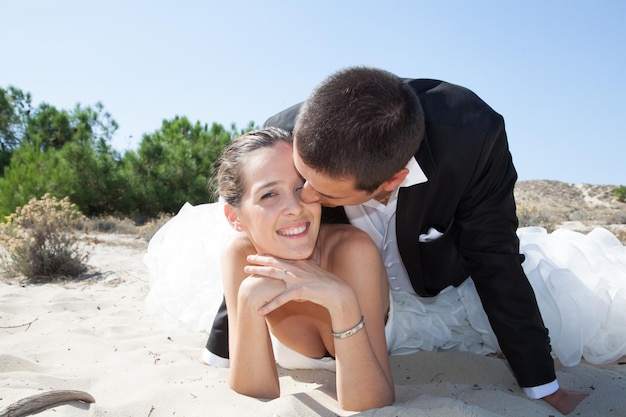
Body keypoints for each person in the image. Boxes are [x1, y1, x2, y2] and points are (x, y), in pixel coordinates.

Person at [202, 67, 626, 415]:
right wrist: (221, 349)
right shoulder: (289, 140)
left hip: (434, 278)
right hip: (340, 277)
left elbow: (494, 257)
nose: (305, 197)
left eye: (323, 192)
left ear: (392, 181)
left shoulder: (473, 139)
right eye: (300, 179)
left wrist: (543, 387)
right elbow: (256, 229)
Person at [148, 127, 394, 411]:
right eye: (268, 195)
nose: (294, 208)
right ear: (234, 217)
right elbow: (256, 392)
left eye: (301, 187)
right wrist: (250, 297)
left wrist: (341, 300)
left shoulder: (352, 250)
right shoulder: (240, 256)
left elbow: (371, 402)